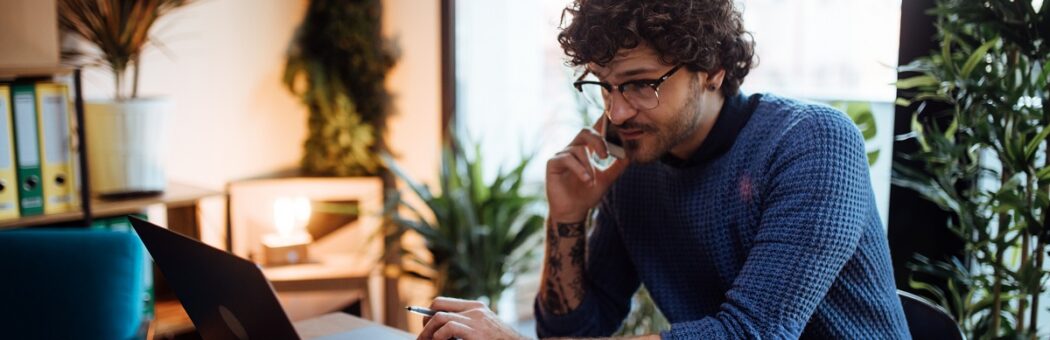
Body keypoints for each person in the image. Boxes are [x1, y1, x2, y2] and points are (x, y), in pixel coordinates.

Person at [417, 0, 910, 339]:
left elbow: (752, 333)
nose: (617, 112)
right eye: (605, 87)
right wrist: (566, 218)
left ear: (712, 68)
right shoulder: (634, 163)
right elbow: (576, 330)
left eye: (639, 84)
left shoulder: (813, 142)